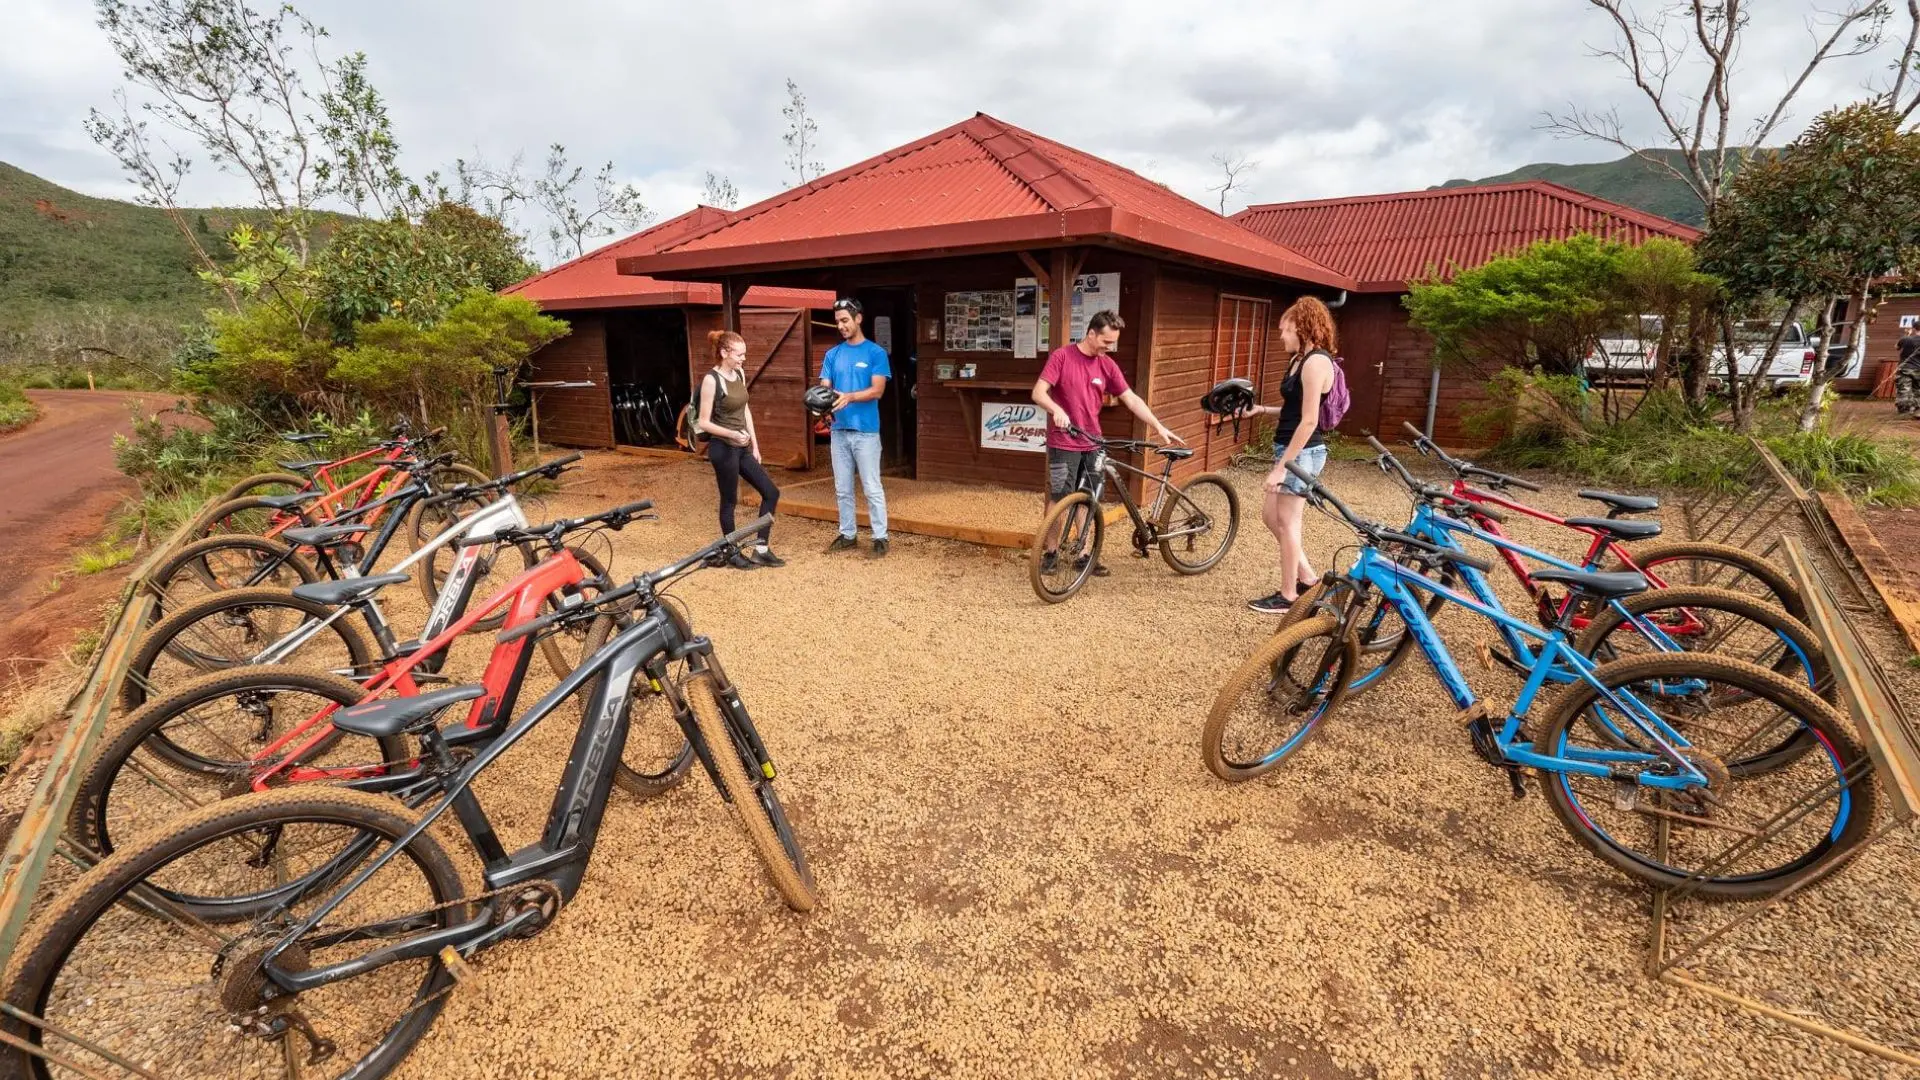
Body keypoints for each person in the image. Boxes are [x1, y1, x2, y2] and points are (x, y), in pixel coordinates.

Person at [1031, 310, 1182, 576]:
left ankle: (1084, 554)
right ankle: (1051, 552)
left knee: (1088, 498)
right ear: (1091, 333)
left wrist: (1158, 426)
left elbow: (1131, 399)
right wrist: (1056, 409)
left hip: (1093, 442)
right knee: (1058, 497)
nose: (1109, 347)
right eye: (1106, 341)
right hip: (1064, 441)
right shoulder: (1062, 357)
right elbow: (1038, 392)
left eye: (1112, 342)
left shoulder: (1106, 365)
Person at [1240, 297, 1337, 613]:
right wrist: (1263, 410)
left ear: (1303, 327)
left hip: (1303, 454)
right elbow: (1297, 410)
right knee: (1271, 517)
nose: (1281, 335)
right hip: (1290, 448)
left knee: (1289, 522)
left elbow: (1310, 421)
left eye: (1285, 329)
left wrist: (1283, 467)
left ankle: (1289, 596)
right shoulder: (1299, 359)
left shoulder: (1316, 363)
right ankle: (1309, 579)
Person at [696, 330, 783, 569]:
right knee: (729, 501)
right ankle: (731, 552)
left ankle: (761, 549)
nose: (744, 358)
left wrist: (755, 445)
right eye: (739, 354)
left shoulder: (740, 374)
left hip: (742, 447)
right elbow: (704, 422)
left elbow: (745, 411)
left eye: (744, 354)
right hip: (722, 448)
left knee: (771, 492)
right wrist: (732, 434)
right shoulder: (712, 380)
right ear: (724, 353)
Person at [820, 297, 892, 556]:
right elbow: (825, 388)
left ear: (858, 318)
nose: (841, 326)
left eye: (845, 320)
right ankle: (847, 534)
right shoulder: (832, 354)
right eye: (838, 322)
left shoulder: (875, 353)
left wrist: (849, 396)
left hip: (866, 432)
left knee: (872, 487)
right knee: (842, 488)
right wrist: (820, 404)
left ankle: (880, 537)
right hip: (839, 432)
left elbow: (878, 390)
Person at [1897, 328, 1920, 417]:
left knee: (1904, 390)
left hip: (1905, 368)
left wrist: (1906, 335)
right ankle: (1918, 411)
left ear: (1914, 329)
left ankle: (1904, 412)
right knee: (1918, 389)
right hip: (1919, 369)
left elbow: (1896, 347)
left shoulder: (1906, 339)